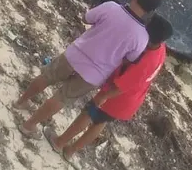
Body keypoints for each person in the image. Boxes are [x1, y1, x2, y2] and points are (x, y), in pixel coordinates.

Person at [12, 0, 163, 138]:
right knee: (62, 98)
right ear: (151, 11)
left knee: (47, 77)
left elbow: (87, 18)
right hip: (95, 73)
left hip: (77, 53)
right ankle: (29, 125)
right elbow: (129, 59)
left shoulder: (111, 7)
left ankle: (21, 102)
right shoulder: (142, 37)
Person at [44, 14, 173, 159]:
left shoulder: (145, 61)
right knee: (99, 122)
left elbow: (122, 86)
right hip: (132, 100)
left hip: (116, 97)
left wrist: (102, 97)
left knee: (88, 114)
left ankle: (59, 142)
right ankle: (71, 151)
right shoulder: (160, 49)